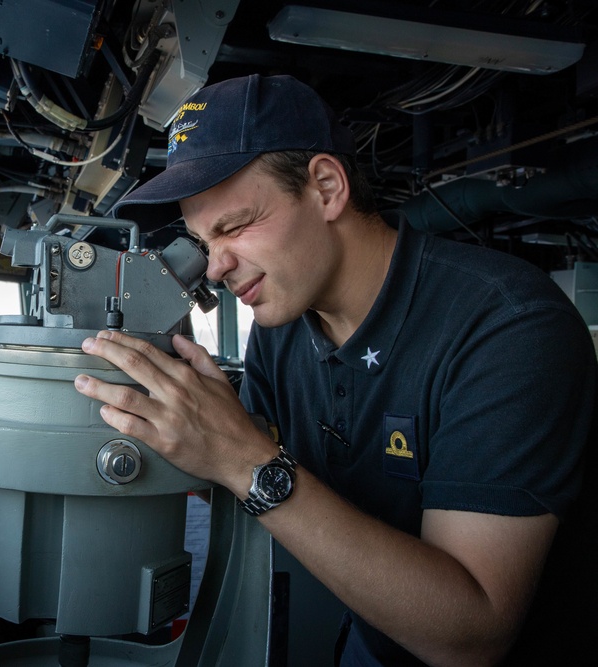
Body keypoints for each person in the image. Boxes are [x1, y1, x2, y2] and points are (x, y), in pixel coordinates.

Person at [72, 74, 597, 665]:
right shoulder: (281, 332)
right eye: (199, 240)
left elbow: (472, 633)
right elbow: (259, 482)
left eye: (234, 226)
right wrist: (187, 439)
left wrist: (241, 459)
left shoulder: (507, 326)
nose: (214, 268)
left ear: (325, 187)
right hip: (371, 638)